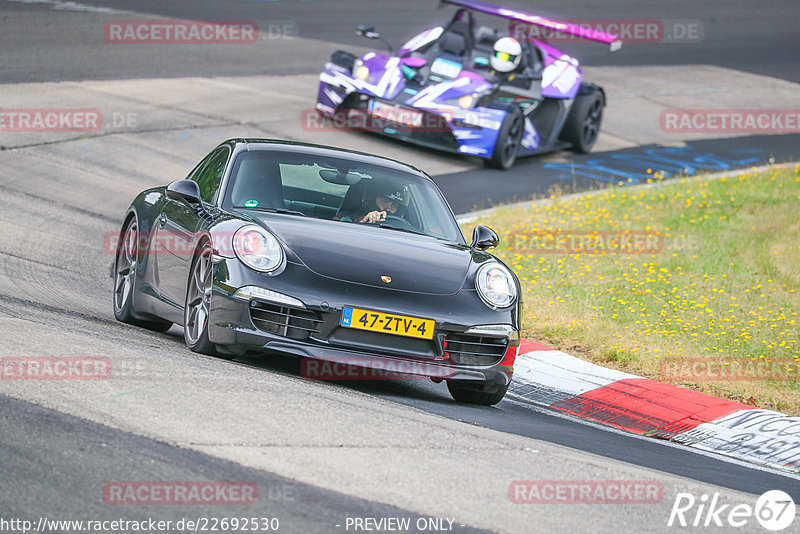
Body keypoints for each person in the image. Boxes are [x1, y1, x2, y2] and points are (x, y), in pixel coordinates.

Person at [340, 182, 409, 224]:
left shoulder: (402, 228)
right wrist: (365, 221)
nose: (388, 209)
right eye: (384, 201)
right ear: (371, 200)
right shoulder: (347, 218)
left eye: (394, 205)